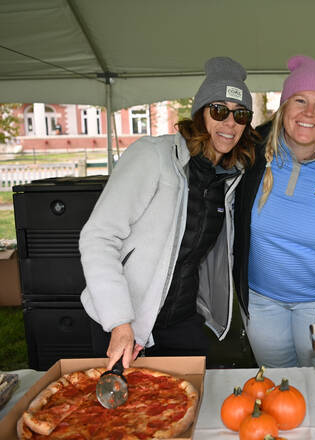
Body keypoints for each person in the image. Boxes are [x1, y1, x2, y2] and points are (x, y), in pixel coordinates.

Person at [80, 56, 257, 370]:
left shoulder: (229, 179)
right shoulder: (152, 156)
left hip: (182, 320)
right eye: (219, 111)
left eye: (240, 115)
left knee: (186, 407)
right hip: (122, 317)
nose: (230, 123)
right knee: (122, 415)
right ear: (200, 114)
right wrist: (120, 321)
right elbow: (98, 237)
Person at [233, 55, 315, 367]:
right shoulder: (251, 149)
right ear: (284, 106)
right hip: (261, 304)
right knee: (276, 386)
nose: (308, 113)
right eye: (300, 100)